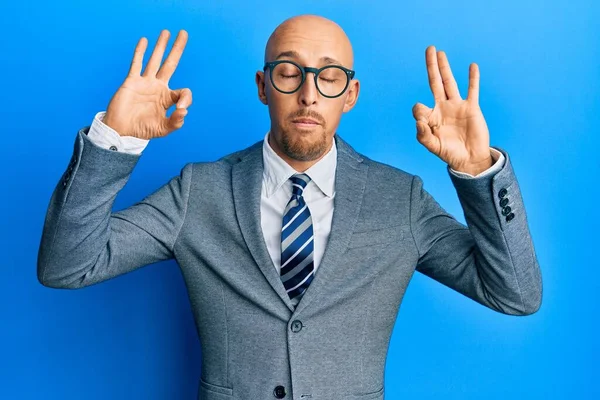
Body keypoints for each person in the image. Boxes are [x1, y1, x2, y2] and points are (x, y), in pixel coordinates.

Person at [37, 14, 542, 400]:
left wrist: (477, 171)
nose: (307, 95)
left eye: (329, 77)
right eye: (288, 72)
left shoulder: (399, 199)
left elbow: (515, 293)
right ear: (262, 87)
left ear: (350, 95)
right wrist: (113, 140)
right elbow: (67, 265)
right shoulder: (199, 190)